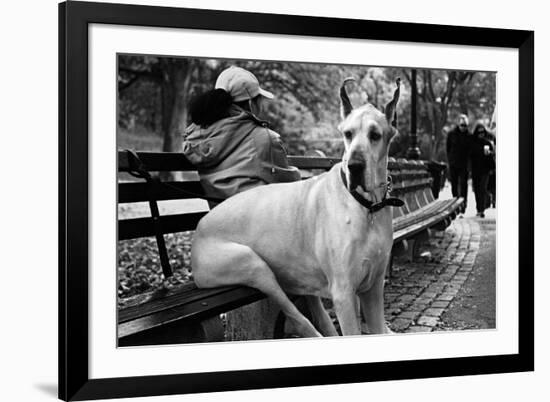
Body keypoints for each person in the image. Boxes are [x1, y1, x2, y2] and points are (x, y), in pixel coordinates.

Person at [182, 66, 301, 206]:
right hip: (253, 221)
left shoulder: (199, 138)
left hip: (218, 221)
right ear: (251, 103)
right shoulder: (265, 139)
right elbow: (291, 185)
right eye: (259, 99)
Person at [446, 114, 472, 214]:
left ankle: (463, 205)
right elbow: (448, 148)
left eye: (465, 126)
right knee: (454, 184)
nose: (463, 127)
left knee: (464, 185)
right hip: (454, 163)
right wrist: (450, 160)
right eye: (462, 125)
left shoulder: (469, 136)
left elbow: (470, 151)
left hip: (464, 164)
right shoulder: (451, 134)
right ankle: (455, 203)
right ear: (458, 124)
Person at [470, 121, 495, 218]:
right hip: (476, 170)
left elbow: (492, 156)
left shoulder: (487, 143)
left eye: (482, 133)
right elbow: (470, 155)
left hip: (485, 170)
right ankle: (478, 208)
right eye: (479, 133)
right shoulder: (473, 143)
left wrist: (490, 154)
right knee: (477, 190)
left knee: (483, 189)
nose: (481, 135)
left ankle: (482, 209)